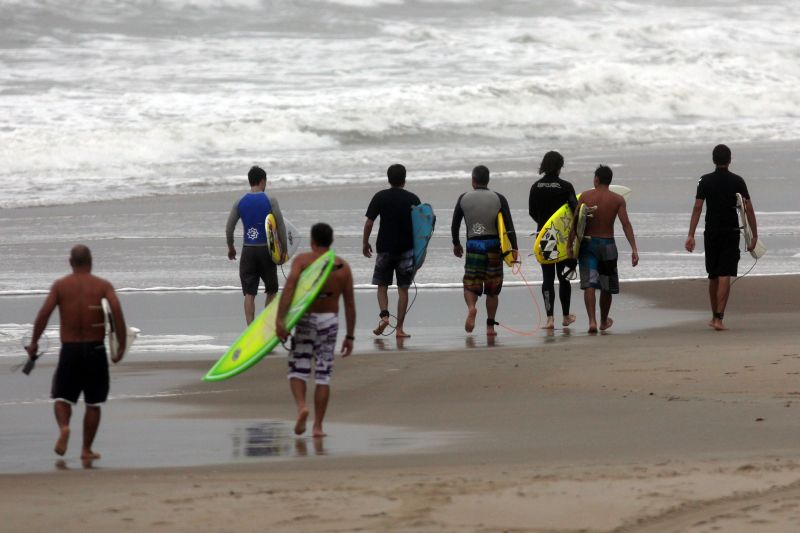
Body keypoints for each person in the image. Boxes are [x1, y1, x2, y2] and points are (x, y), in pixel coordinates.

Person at [24, 245, 127, 461]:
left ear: (70, 262)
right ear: (91, 262)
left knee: (62, 398)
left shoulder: (61, 286)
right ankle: (86, 449)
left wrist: (34, 343)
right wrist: (121, 346)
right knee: (93, 403)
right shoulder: (102, 286)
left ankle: (64, 428)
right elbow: (116, 312)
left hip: (70, 350)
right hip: (95, 349)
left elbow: (43, 315)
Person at [276, 223, 356, 438]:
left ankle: (302, 406)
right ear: (330, 241)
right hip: (329, 320)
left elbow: (290, 290)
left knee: (298, 368)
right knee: (323, 376)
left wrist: (280, 320)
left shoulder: (302, 261)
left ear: (312, 241)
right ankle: (318, 427)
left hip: (305, 320)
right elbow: (349, 304)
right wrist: (350, 336)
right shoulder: (343, 267)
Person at [685, 144, 757, 331]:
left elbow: (697, 208)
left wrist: (690, 234)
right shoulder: (737, 181)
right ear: (730, 159)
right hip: (731, 232)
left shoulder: (705, 180)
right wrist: (754, 235)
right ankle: (719, 318)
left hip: (712, 232)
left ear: (713, 160)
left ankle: (714, 315)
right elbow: (748, 208)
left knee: (713, 275)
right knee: (725, 273)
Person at [570, 165, 639, 333]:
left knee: (590, 284)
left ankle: (592, 321)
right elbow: (625, 224)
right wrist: (634, 249)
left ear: (597, 179)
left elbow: (576, 222)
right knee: (606, 286)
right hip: (608, 244)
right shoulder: (617, 200)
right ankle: (603, 321)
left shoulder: (585, 196)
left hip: (588, 243)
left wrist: (568, 245)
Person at [451, 165, 518, 336]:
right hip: (493, 245)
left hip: (474, 245)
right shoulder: (499, 198)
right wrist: (514, 248)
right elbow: (509, 226)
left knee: (470, 285)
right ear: (488, 180)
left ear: (473, 180)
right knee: (493, 289)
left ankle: (472, 308)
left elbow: (455, 224)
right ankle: (490, 327)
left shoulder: (463, 198)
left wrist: (456, 243)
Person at [362, 164, 421, 338]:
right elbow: (422, 226)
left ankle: (384, 317)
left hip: (385, 248)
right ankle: (400, 329)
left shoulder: (380, 197)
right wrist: (420, 250)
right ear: (404, 179)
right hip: (406, 249)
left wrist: (365, 243)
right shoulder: (413, 199)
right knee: (403, 289)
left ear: (388, 179)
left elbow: (369, 223)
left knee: (382, 285)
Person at [226, 165, 286, 325]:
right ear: (262, 181)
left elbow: (229, 227)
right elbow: (280, 225)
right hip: (266, 251)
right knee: (272, 290)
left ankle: (250, 329)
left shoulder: (240, 201)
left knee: (249, 293)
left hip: (248, 251)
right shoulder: (270, 200)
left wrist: (231, 247)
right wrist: (284, 250)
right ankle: (265, 326)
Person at [529, 150, 578, 329]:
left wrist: (545, 225)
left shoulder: (536, 187)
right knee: (564, 277)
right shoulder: (565, 186)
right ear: (559, 166)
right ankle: (566, 316)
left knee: (547, 277)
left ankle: (550, 319)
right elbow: (575, 211)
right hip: (564, 238)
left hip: (544, 236)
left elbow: (532, 211)